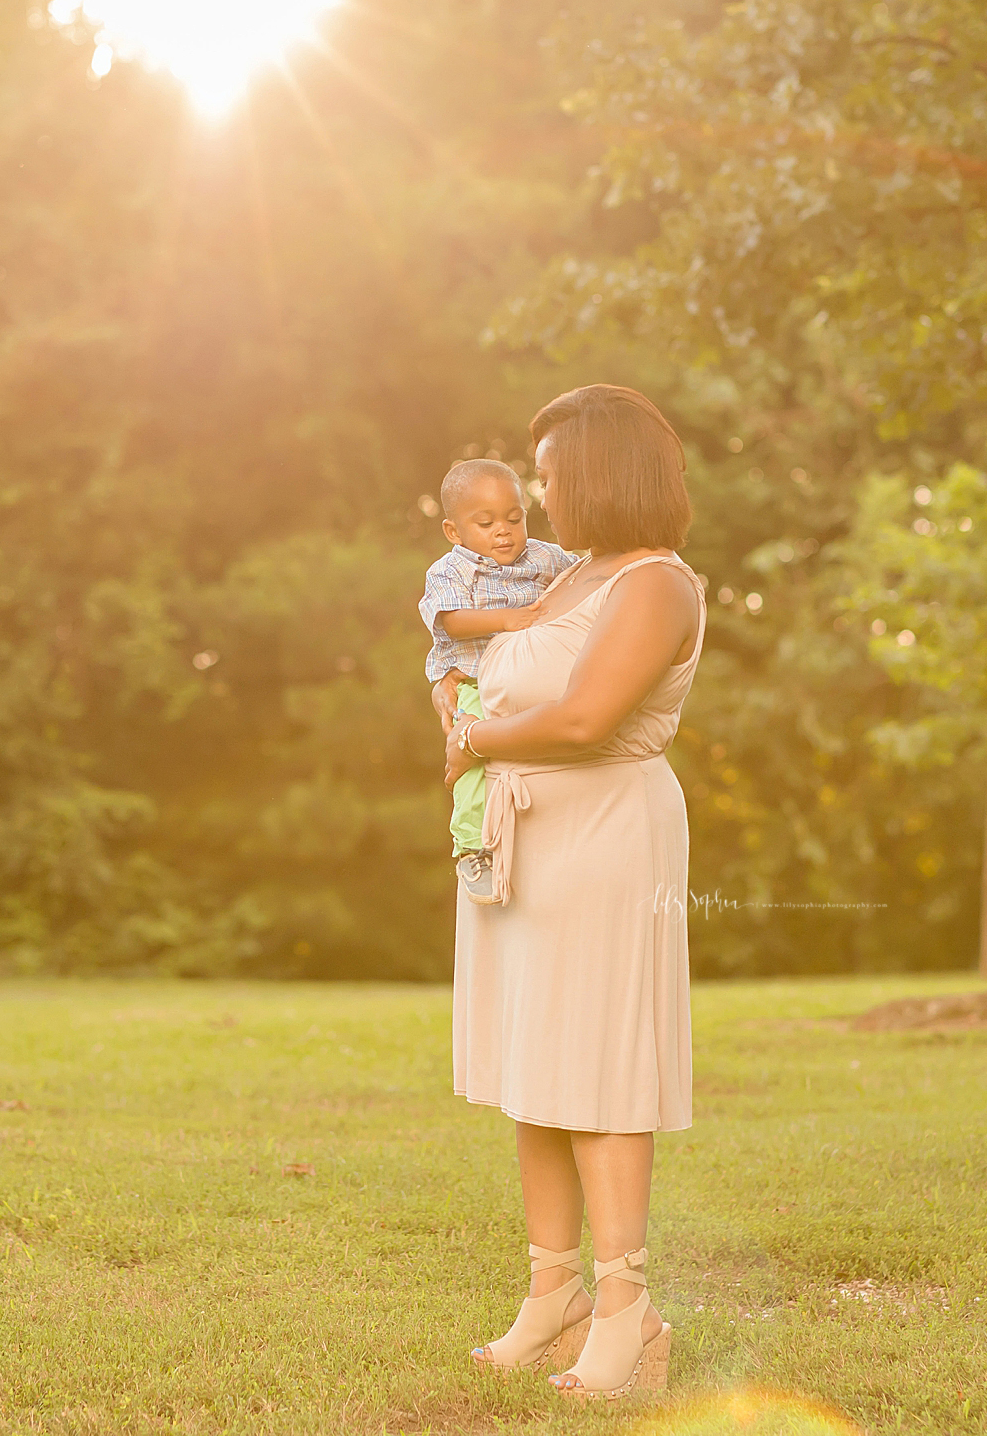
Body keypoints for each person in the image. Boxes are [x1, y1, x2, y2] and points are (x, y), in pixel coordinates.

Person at [442, 384, 705, 1401]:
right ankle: (550, 1291)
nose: (539, 491)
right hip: (521, 839)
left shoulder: (654, 583)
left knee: (595, 1066)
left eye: (551, 472)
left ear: (601, 471)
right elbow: (478, 670)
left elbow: (589, 715)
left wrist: (474, 736)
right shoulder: (561, 578)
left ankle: (628, 1311)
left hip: (603, 836)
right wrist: (465, 735)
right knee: (535, 1068)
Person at [418, 458, 577, 904]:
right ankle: (472, 848)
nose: (503, 532)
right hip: (476, 683)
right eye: (485, 523)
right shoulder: (449, 572)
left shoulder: (544, 557)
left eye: (514, 518)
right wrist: (507, 620)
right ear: (454, 532)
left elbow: (585, 576)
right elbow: (450, 621)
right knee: (474, 763)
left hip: (534, 683)